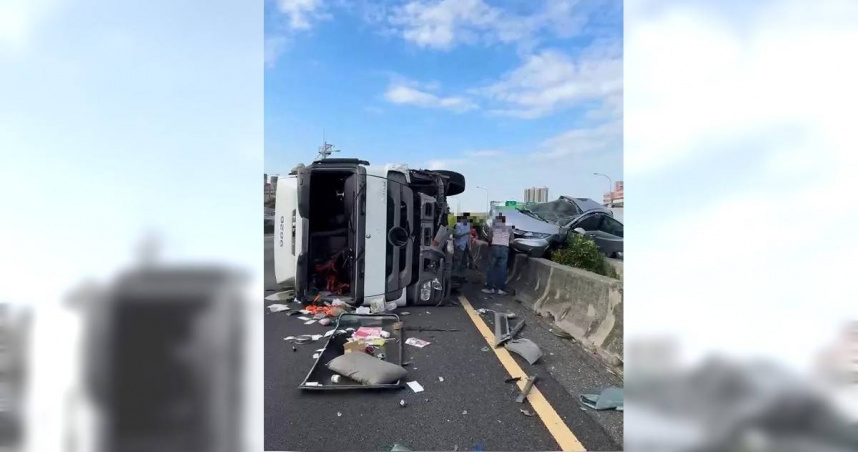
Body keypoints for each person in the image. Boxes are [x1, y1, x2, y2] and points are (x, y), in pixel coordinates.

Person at [483, 214, 512, 295]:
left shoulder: (493, 227)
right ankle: (500, 289)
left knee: (491, 268)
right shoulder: (509, 228)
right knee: (502, 270)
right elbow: (512, 241)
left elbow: (489, 238)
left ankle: (490, 288)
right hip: (505, 249)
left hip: (494, 248)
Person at [452, 215, 470, 280]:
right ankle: (456, 276)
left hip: (466, 246)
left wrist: (469, 246)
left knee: (464, 262)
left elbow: (468, 236)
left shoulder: (467, 225)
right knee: (457, 261)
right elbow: (456, 236)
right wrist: (465, 233)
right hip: (459, 245)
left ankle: (462, 277)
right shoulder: (458, 225)